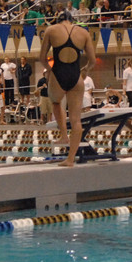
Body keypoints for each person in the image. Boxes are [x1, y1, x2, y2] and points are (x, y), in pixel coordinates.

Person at [38, 11, 96, 166]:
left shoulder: (51, 30)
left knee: (56, 102)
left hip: (58, 74)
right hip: (76, 77)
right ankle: (70, 159)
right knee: (76, 120)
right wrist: (84, 71)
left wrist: (49, 70)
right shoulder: (83, 33)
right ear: (72, 20)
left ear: (59, 20)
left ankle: (64, 135)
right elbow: (92, 61)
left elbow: (42, 58)